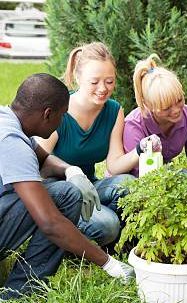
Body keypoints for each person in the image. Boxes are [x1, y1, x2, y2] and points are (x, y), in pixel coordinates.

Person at [0, 73, 133, 300]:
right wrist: (108, 264)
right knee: (64, 197)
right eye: (62, 116)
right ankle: (17, 295)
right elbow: (50, 223)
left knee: (66, 191)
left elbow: (40, 156)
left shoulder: (8, 120)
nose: (62, 123)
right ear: (47, 114)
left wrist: (72, 171)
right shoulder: (11, 142)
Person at [36, 42, 145, 248]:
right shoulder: (60, 111)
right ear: (78, 78)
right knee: (108, 225)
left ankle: (114, 241)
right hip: (58, 192)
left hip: (90, 184)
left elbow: (113, 166)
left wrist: (139, 150)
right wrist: (70, 173)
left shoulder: (113, 111)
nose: (103, 89)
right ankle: (63, 240)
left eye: (109, 81)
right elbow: (38, 164)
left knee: (130, 185)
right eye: (94, 82)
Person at [122, 54, 187, 178]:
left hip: (161, 178)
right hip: (129, 184)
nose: (176, 110)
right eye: (166, 108)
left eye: (179, 100)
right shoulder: (134, 125)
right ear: (148, 105)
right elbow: (141, 177)